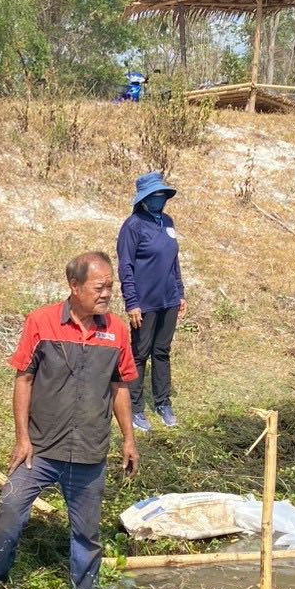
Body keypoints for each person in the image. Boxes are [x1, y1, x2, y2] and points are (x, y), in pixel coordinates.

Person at [0, 252, 140, 589]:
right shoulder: (41, 322)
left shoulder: (116, 331)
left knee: (87, 534)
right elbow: (24, 379)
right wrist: (22, 438)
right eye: (99, 287)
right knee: (9, 510)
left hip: (89, 451)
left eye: (110, 287)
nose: (106, 294)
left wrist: (129, 439)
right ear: (74, 286)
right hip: (40, 449)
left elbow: (119, 387)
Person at [116, 171, 186, 433]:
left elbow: (173, 261)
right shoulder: (133, 226)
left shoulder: (167, 222)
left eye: (162, 195)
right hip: (144, 302)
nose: (159, 200)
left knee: (162, 351)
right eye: (154, 196)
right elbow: (126, 266)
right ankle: (135, 407)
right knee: (139, 353)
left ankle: (163, 403)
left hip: (169, 299)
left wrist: (180, 293)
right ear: (144, 199)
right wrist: (132, 302)